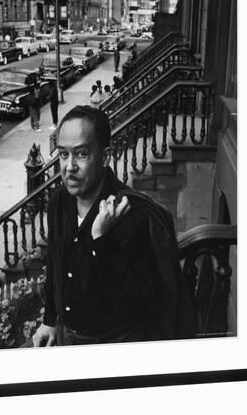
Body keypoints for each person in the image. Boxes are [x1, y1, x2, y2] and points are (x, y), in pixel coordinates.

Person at [32, 106, 196, 347]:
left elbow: (141, 303)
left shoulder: (134, 214)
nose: (69, 167)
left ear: (105, 157)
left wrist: (101, 240)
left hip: (114, 344)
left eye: (81, 154)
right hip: (67, 336)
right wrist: (48, 320)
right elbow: (55, 263)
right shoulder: (59, 201)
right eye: (63, 155)